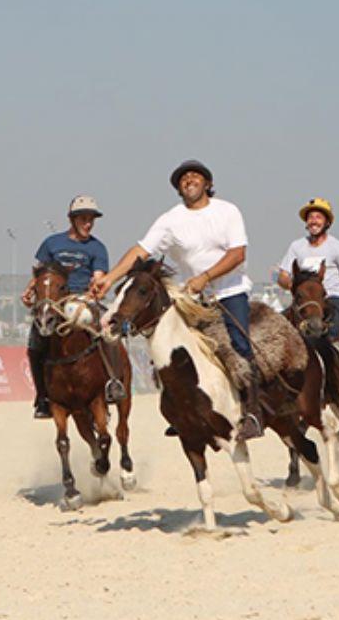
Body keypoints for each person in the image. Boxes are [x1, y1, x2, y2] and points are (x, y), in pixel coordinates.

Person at [90, 159, 264, 441]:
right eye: (183, 179)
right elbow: (141, 250)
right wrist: (109, 278)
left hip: (229, 292)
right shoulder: (171, 219)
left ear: (207, 184)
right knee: (170, 347)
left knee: (239, 345)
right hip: (191, 297)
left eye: (195, 176)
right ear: (179, 188)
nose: (189, 180)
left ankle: (253, 411)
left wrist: (205, 277)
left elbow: (237, 254)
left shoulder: (227, 211)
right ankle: (180, 409)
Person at [20, 196, 118, 419]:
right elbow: (39, 275)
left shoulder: (97, 247)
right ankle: (43, 398)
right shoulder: (51, 243)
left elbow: (99, 277)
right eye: (83, 219)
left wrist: (92, 291)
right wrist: (29, 292)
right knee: (35, 343)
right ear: (72, 219)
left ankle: (111, 385)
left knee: (108, 335)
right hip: (53, 302)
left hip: (81, 300)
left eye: (91, 219)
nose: (88, 224)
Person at [276, 197, 339, 345]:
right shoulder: (296, 246)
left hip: (332, 299)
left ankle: (337, 360)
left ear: (327, 222)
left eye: (318, 217)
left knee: (331, 339)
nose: (313, 221)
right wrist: (290, 283)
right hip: (305, 302)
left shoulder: (337, 247)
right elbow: (283, 275)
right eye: (310, 217)